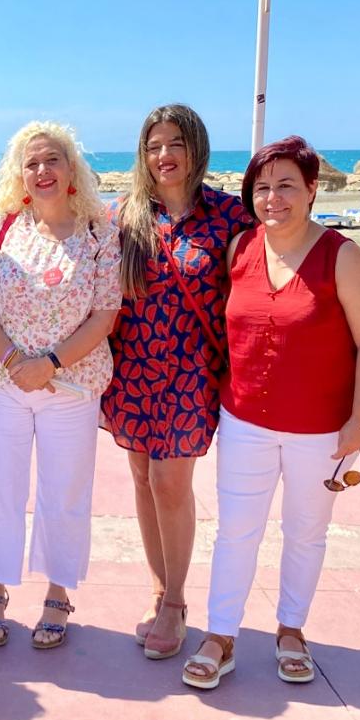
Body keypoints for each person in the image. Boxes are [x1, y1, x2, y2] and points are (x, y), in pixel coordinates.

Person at [180, 137, 360, 689]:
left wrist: (359, 421)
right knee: (235, 532)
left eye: (287, 185)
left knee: (306, 532)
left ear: (312, 189)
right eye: (263, 187)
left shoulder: (344, 256)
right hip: (244, 420)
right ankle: (221, 635)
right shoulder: (239, 249)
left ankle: (292, 630)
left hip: (320, 428)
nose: (273, 197)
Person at [99, 105, 254, 660]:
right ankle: (161, 585)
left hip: (192, 370)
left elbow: (269, 275)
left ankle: (176, 602)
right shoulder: (124, 215)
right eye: (153, 145)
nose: (164, 156)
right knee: (142, 477)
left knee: (171, 483)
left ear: (197, 149)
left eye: (175, 144)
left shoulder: (230, 217)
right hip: (133, 365)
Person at [0, 122, 121, 649]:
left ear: (71, 168)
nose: (42, 171)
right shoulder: (3, 226)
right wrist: (14, 360)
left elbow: (104, 315)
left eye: (52, 159)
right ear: (20, 173)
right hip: (3, 381)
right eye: (31, 163)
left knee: (65, 491)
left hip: (72, 387)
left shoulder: (100, 232)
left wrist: (49, 364)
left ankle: (57, 592)